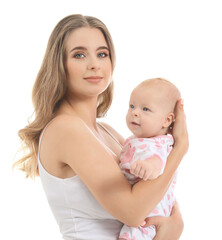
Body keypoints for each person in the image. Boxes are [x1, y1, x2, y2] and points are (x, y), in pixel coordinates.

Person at [13, 14, 188, 240]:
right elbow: (134, 212)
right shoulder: (66, 129)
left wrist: (176, 223)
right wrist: (180, 147)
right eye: (79, 55)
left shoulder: (107, 132)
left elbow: (158, 198)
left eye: (102, 54)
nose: (94, 64)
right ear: (60, 65)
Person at [119, 78, 181, 240]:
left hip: (149, 218)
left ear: (167, 120)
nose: (135, 112)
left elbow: (157, 162)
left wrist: (148, 167)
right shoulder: (140, 140)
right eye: (132, 106)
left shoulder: (156, 144)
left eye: (145, 109)